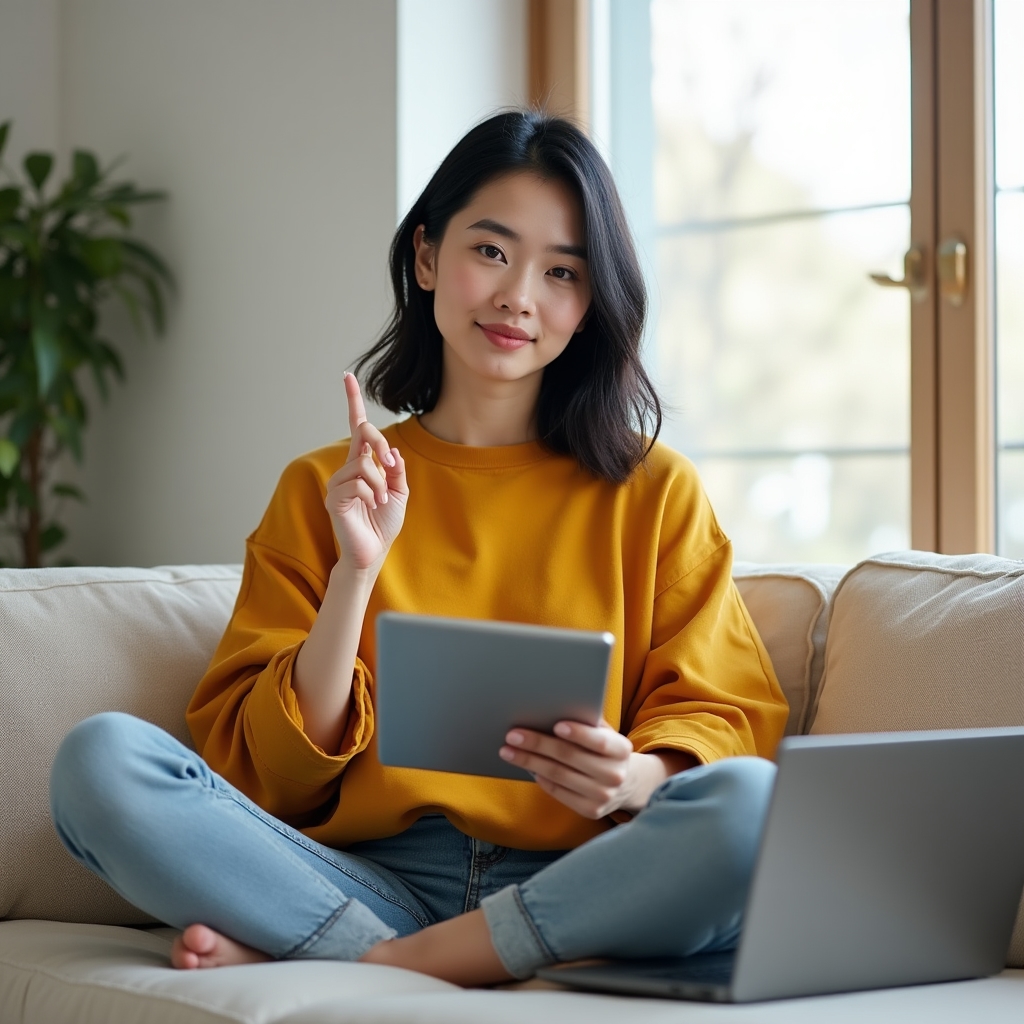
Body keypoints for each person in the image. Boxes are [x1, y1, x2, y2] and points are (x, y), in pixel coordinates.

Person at [49, 110, 788, 987]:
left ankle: (367, 960)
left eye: (561, 272)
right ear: (429, 257)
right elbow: (266, 774)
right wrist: (356, 574)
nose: (519, 295)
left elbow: (729, 719)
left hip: (582, 878)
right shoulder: (324, 487)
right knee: (98, 764)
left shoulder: (654, 490)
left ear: (589, 307)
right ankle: (446, 956)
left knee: (749, 807)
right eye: (491, 251)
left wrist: (633, 777)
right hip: (372, 875)